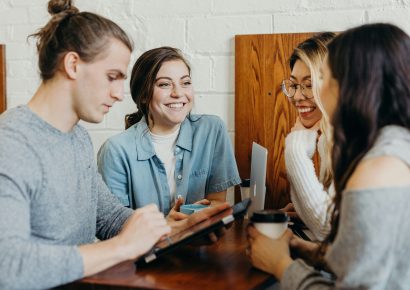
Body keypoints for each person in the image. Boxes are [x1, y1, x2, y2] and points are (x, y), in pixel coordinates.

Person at [0, 1, 229, 289]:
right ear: (73, 65)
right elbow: (7, 266)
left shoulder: (77, 138)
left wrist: (171, 231)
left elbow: (108, 217)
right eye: (112, 77)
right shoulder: (10, 143)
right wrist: (123, 247)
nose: (121, 94)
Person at [247, 23, 410, 289]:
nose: (315, 92)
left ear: (353, 85)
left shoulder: (378, 168)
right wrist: (306, 250)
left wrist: (280, 264)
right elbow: (362, 257)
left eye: (322, 78)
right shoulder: (391, 145)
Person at [97, 46, 241, 218]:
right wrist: (169, 226)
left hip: (201, 241)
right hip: (148, 245)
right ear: (143, 95)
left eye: (185, 83)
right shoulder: (115, 150)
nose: (178, 93)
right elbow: (115, 224)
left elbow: (217, 202)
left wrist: (191, 220)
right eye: (165, 84)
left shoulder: (212, 130)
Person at [281, 32, 335, 241]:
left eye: (309, 84)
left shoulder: (353, 140)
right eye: (294, 85)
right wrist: (304, 213)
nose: (296, 96)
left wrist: (295, 147)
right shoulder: (327, 139)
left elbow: (327, 230)